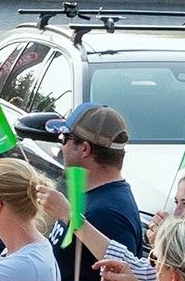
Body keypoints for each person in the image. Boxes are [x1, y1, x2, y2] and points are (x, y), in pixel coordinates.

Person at [53, 104, 151, 259]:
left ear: (84, 149)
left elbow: (122, 279)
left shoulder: (108, 214)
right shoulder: (94, 196)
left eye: (64, 138)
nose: (61, 146)